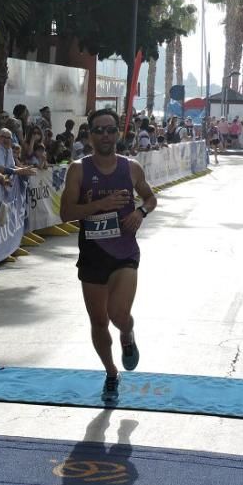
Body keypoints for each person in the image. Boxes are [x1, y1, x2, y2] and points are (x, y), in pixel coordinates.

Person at [60, 109, 157, 399]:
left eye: (110, 130)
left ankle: (127, 334)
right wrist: (101, 204)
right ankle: (111, 372)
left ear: (118, 133)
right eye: (99, 130)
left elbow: (150, 198)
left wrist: (140, 211)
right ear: (89, 135)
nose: (105, 135)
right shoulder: (78, 169)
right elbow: (66, 213)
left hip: (124, 252)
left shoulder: (131, 168)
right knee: (99, 322)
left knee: (118, 316)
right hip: (92, 255)